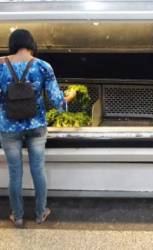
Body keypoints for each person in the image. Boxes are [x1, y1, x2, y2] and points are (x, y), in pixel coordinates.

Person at [0, 29, 76, 228]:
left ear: (12, 44)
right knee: (38, 170)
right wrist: (68, 98)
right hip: (36, 126)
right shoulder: (42, 66)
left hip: (9, 126)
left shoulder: (0, 66)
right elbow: (56, 101)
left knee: (15, 173)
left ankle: (17, 216)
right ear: (31, 43)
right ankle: (41, 213)